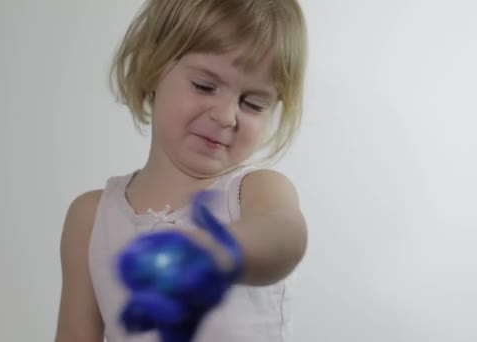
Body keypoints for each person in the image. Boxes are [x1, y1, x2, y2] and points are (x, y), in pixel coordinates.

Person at [55, 0, 308, 341]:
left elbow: (284, 237)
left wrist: (216, 251)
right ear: (152, 66)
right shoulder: (91, 218)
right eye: (205, 86)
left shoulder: (256, 192)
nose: (226, 116)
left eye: (253, 103)